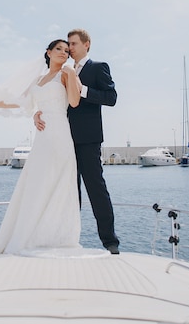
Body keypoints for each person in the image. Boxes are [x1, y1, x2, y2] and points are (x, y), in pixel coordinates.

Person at [0, 40, 83, 254]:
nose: (63, 53)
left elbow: (74, 102)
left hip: (59, 131)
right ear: (48, 52)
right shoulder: (38, 80)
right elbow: (16, 102)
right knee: (37, 181)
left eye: (67, 51)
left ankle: (55, 236)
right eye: (58, 49)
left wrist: (72, 73)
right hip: (42, 135)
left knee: (58, 180)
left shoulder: (66, 74)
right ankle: (31, 233)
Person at [34, 28, 119, 254]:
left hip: (88, 140)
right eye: (67, 45)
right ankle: (65, 240)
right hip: (62, 139)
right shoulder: (62, 71)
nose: (69, 48)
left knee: (96, 189)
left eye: (72, 44)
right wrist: (37, 113)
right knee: (68, 192)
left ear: (86, 44)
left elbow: (111, 98)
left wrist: (84, 90)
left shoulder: (98, 67)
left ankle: (110, 242)